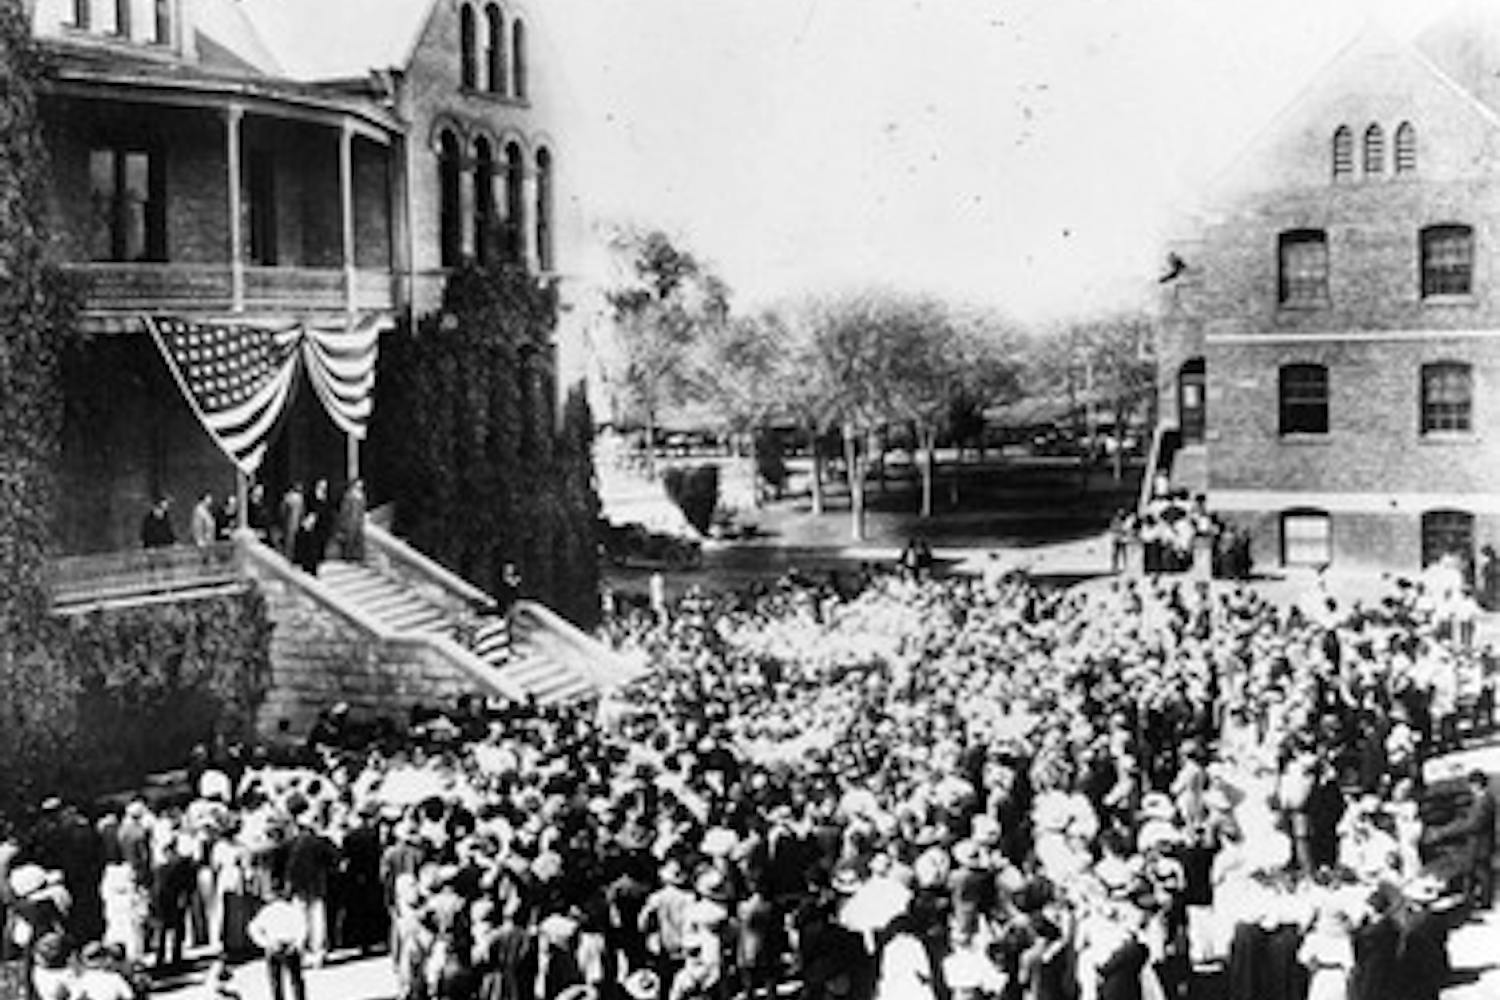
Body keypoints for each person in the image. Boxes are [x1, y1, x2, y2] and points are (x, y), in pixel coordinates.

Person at [1428, 769, 1496, 912]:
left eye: (1471, 785)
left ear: (1477, 785)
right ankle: (1478, 899)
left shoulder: (1484, 802)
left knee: (1480, 872)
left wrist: (1448, 831)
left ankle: (1483, 901)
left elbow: (1474, 824)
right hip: (1478, 842)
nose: (1470, 788)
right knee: (1477, 871)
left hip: (1480, 843)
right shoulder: (1482, 800)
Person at [249, 883, 309, 1000]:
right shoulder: (292, 909)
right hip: (289, 945)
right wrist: (297, 944)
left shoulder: (267, 911)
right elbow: (302, 927)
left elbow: (253, 928)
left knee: (275, 982)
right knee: (296, 980)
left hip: (274, 945)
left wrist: (265, 943)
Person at [333, 479, 367, 562]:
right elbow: (345, 509)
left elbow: (362, 509)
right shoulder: (349, 495)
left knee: (359, 539)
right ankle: (348, 557)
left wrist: (362, 518)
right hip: (350, 520)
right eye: (358, 484)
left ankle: (358, 557)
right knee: (350, 539)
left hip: (358, 520)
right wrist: (344, 520)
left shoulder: (361, 496)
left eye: (361, 485)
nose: (360, 486)